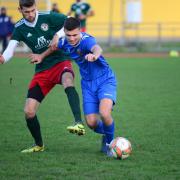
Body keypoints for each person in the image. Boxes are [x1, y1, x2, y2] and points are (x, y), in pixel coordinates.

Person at [0, 0, 85, 153]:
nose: (31, 14)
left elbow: (70, 21)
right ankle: (39, 145)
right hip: (42, 70)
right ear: (20, 10)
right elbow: (10, 49)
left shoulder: (48, 16)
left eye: (33, 10)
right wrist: (3, 58)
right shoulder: (19, 27)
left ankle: (78, 122)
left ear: (36, 7)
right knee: (29, 111)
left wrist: (58, 36)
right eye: (27, 12)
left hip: (61, 61)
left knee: (68, 80)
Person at [29, 17, 117, 157]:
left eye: (75, 35)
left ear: (80, 31)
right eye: (68, 35)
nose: (72, 38)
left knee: (105, 113)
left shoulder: (87, 40)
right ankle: (106, 134)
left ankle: (111, 144)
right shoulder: (64, 42)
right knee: (91, 123)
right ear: (64, 32)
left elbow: (97, 48)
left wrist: (94, 56)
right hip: (87, 84)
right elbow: (53, 47)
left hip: (105, 80)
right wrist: (41, 56)